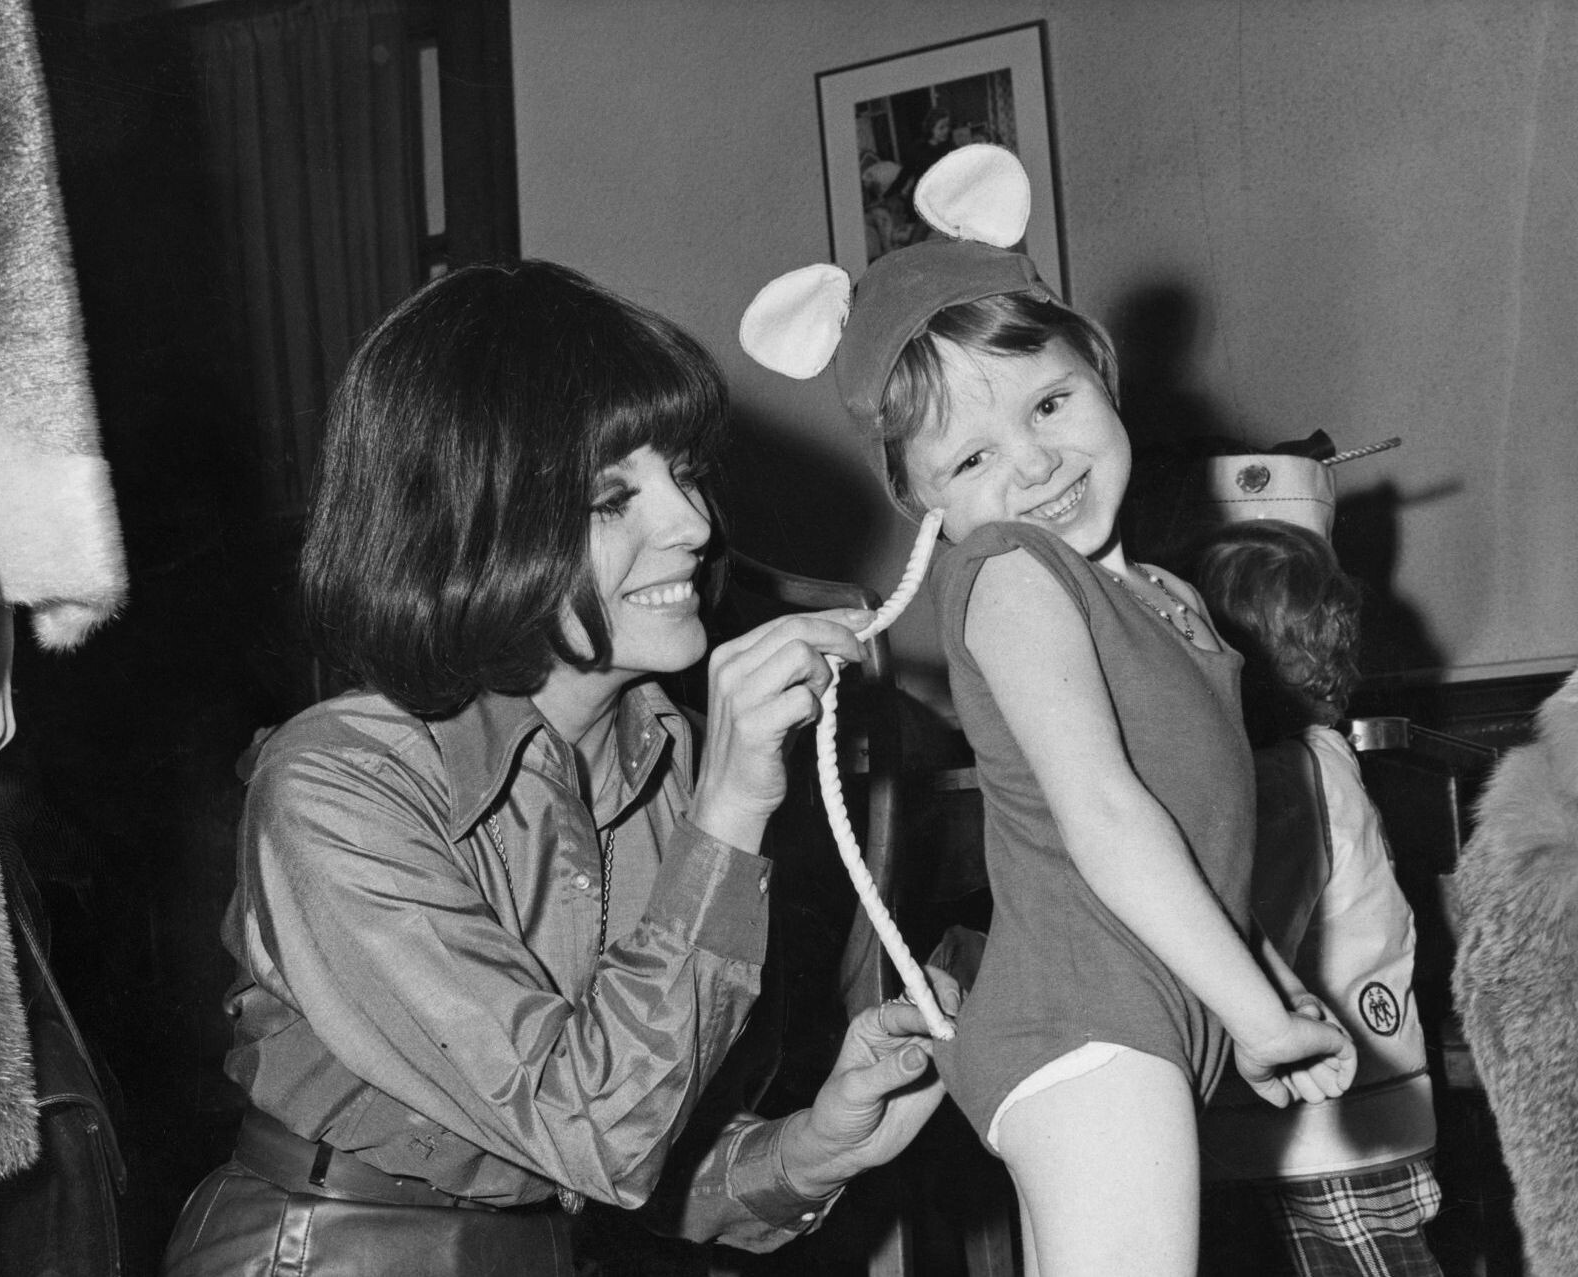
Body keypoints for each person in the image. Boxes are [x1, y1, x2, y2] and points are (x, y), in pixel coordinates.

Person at [159, 260, 957, 1277]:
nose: (694, 524)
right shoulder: (335, 785)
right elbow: (598, 1128)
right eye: (610, 497)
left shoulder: (669, 757)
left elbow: (634, 1147)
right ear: (470, 530)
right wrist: (728, 809)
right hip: (330, 1250)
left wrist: (811, 1146)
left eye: (684, 472)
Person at [738, 146, 1357, 1275]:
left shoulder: (1167, 600)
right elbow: (1105, 815)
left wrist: (1265, 980)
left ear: (1101, 370)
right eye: (973, 456)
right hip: (1082, 1020)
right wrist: (1256, 1017)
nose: (1031, 464)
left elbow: (1194, 838)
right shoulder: (1012, 573)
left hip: (1133, 1020)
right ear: (924, 503)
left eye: (1050, 402)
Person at [1193, 517, 1441, 1277]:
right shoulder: (1324, 757)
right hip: (1361, 1115)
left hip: (1316, 1135)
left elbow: (1247, 938)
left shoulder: (1282, 779)